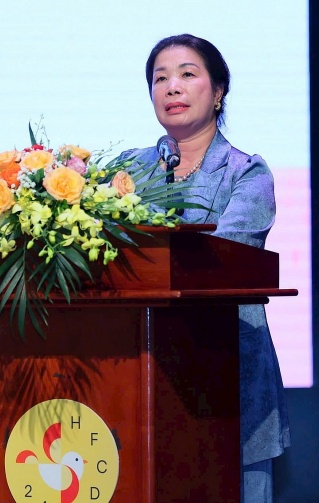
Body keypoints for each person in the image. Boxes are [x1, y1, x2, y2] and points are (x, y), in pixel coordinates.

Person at [119, 34, 291, 503]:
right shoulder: (124, 172)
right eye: (160, 78)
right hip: (136, 379)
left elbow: (224, 256)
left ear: (218, 92)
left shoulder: (247, 174)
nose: (172, 87)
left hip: (226, 377)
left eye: (187, 74)